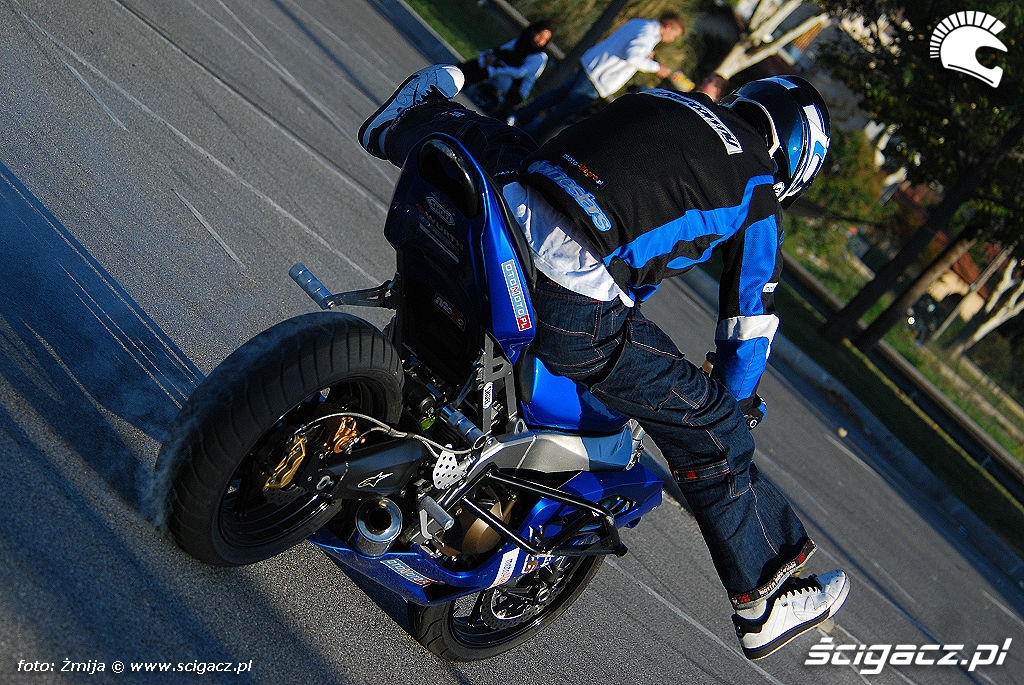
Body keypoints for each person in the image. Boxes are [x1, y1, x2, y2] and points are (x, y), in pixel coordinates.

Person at [357, 64, 848, 661]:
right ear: (800, 159)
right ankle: (765, 597)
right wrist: (734, 403)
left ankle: (406, 122)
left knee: (508, 142)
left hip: (500, 221)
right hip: (569, 301)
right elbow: (749, 327)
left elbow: (588, 161)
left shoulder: (667, 100)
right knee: (715, 426)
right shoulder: (759, 194)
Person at [509, 13, 685, 140]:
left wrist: (645, 56)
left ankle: (519, 117)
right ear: (668, 27)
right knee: (562, 112)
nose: (672, 39)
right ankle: (532, 138)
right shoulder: (648, 34)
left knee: (557, 96)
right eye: (674, 36)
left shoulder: (639, 23)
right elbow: (632, 56)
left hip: (591, 65)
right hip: (599, 77)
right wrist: (656, 67)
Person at [457, 21, 553, 118]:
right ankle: (459, 74)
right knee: (486, 60)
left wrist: (496, 66)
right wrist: (487, 56)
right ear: (533, 31)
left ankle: (466, 81)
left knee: (494, 70)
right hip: (502, 74)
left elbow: (519, 73)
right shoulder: (520, 42)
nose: (540, 41)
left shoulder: (539, 58)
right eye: (539, 35)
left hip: (514, 91)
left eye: (544, 40)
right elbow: (499, 50)